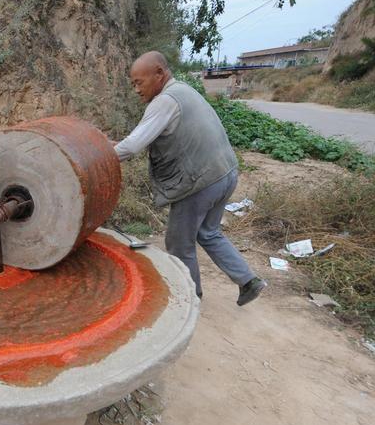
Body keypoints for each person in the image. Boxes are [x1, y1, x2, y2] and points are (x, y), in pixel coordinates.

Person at [113, 51, 265, 305]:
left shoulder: (165, 101)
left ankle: (190, 297)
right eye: (133, 84)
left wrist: (99, 156)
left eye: (139, 82)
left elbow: (132, 146)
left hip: (200, 183)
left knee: (178, 243)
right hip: (225, 173)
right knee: (208, 232)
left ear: (159, 74)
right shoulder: (184, 90)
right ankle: (249, 281)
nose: (136, 90)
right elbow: (132, 142)